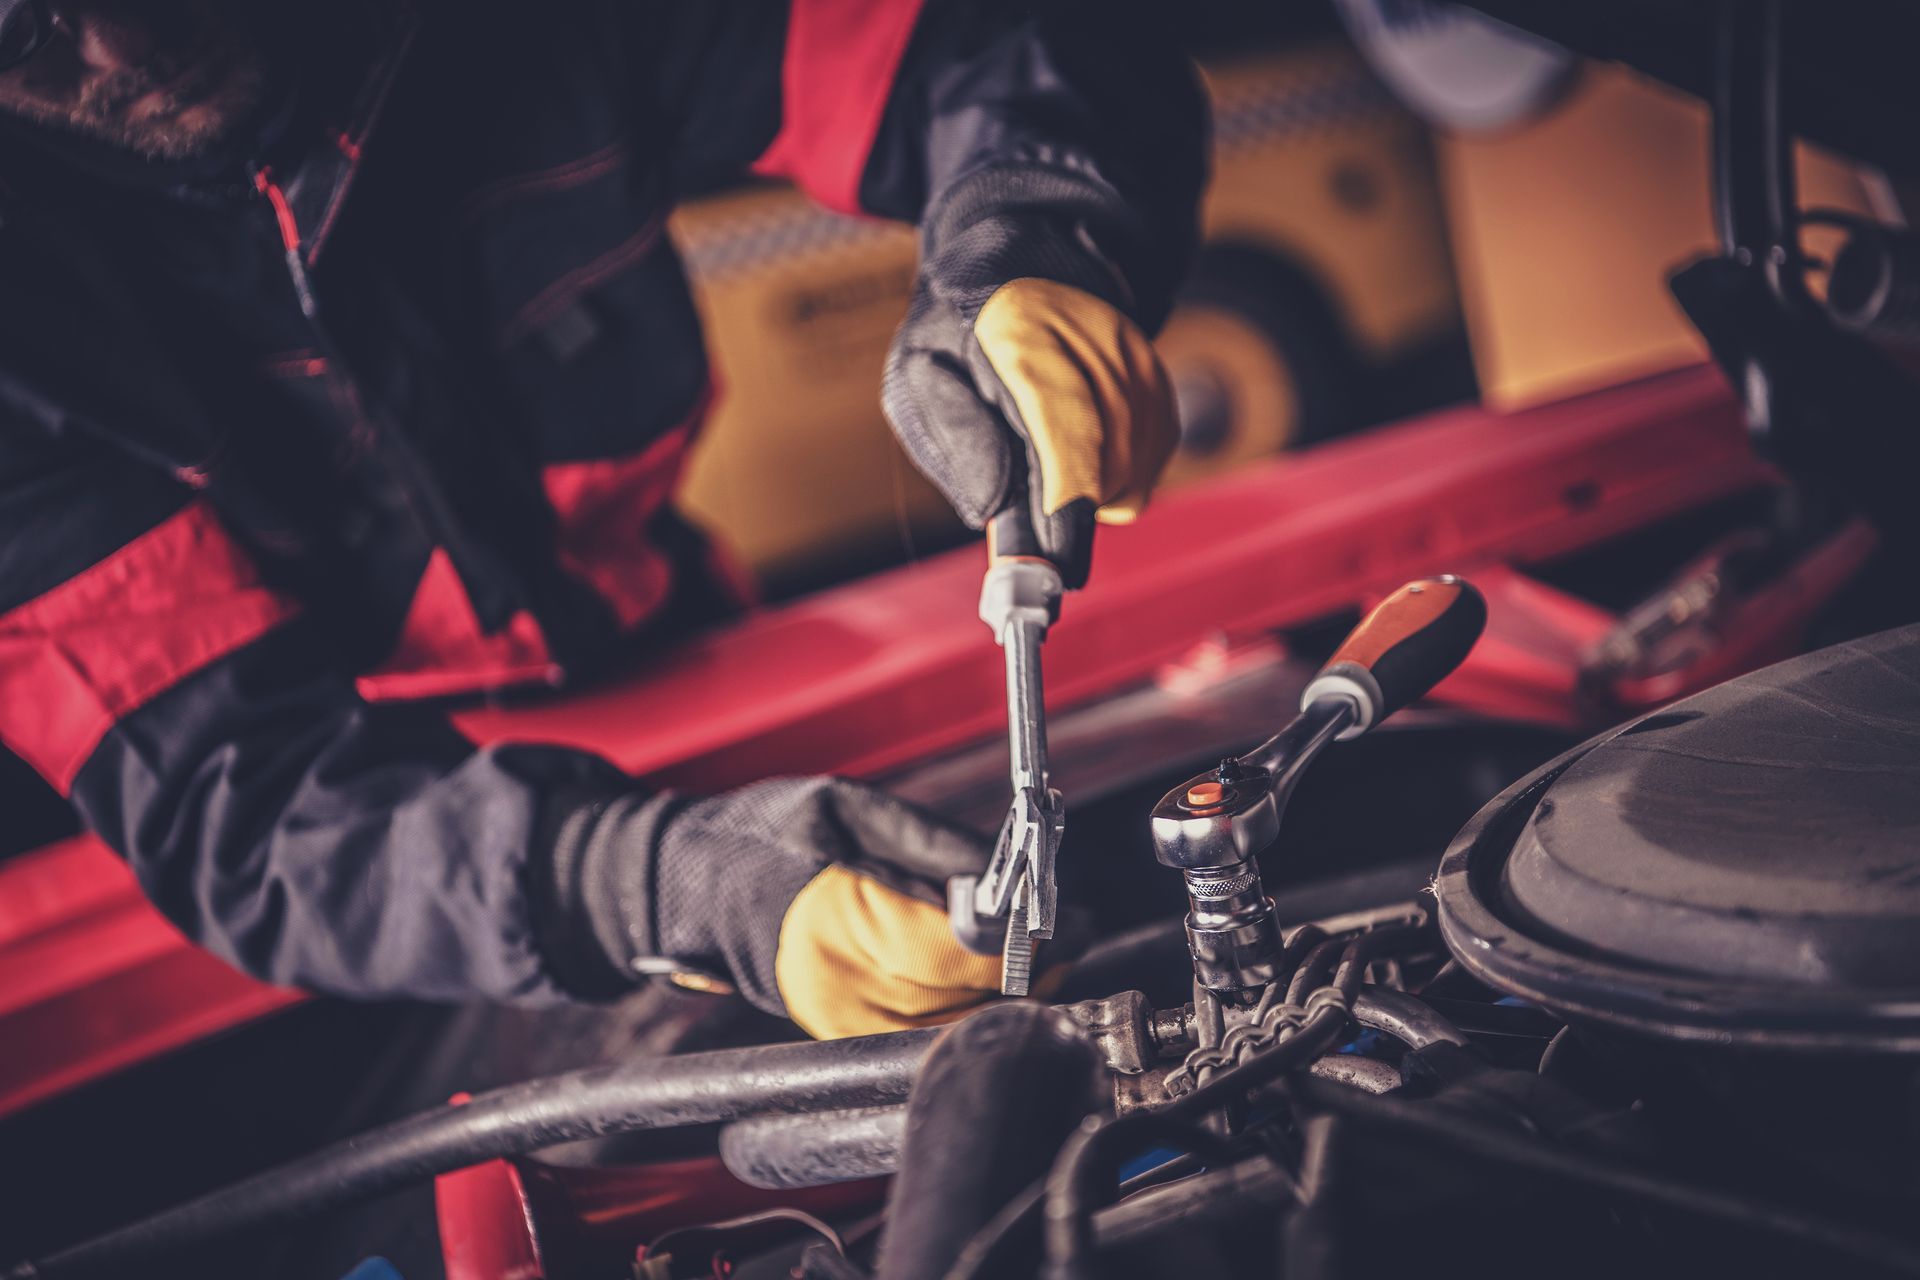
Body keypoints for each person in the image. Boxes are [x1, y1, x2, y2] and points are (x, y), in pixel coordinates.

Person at [0, 0, 1204, 1039]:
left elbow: (959, 39)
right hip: (410, 857)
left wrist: (1035, 235)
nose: (122, 36)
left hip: (679, 627)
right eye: (26, 28)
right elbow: (251, 799)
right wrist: (645, 886)